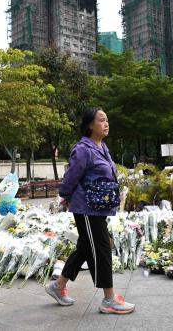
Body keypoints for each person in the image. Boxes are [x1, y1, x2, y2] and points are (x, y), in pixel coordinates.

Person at [45, 107, 135, 315]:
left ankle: (57, 286)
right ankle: (109, 299)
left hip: (97, 208)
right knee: (102, 248)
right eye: (101, 120)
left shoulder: (102, 146)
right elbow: (71, 177)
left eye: (107, 120)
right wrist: (65, 197)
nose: (106, 124)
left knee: (86, 247)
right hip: (86, 207)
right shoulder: (83, 149)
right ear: (89, 125)